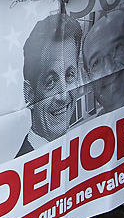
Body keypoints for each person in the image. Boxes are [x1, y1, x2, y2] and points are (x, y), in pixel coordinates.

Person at [16, 13, 82, 157]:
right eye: (51, 82)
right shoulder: (21, 166)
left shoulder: (82, 148)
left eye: (70, 75)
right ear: (29, 94)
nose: (64, 96)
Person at [80, 8, 124, 115]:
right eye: (96, 62)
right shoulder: (95, 127)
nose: (109, 69)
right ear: (88, 76)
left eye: (116, 49)